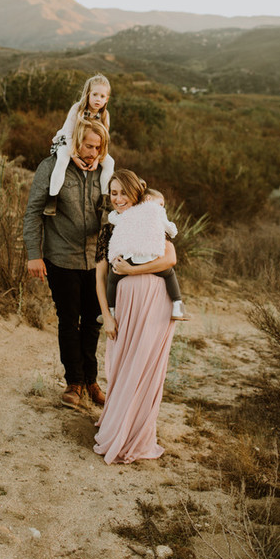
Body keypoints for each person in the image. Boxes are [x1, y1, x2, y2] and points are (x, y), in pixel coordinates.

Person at [24, 118, 109, 409]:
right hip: (61, 257)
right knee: (69, 321)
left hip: (97, 261)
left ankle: (91, 380)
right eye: (88, 146)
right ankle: (74, 382)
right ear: (75, 142)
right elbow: (33, 212)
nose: (93, 153)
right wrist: (33, 254)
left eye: (98, 148)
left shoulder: (105, 173)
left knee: (93, 323)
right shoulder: (51, 167)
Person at [94, 169, 177, 465]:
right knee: (120, 364)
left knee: (144, 365)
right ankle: (117, 423)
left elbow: (169, 258)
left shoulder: (150, 216)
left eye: (123, 193)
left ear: (136, 193)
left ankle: (137, 433)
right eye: (113, 193)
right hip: (124, 306)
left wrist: (132, 271)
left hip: (155, 301)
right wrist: (106, 316)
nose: (117, 199)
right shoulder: (109, 229)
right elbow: (100, 276)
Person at [104, 188, 188, 321]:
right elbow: (171, 230)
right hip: (149, 258)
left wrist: (115, 213)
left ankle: (111, 311)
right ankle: (178, 305)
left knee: (112, 279)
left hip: (129, 259)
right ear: (149, 199)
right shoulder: (157, 211)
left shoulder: (129, 212)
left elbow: (113, 218)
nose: (162, 207)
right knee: (170, 274)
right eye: (161, 204)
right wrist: (170, 228)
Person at [44, 74, 114, 216]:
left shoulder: (105, 115)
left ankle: (105, 199)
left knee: (110, 162)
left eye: (102, 96)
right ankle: (52, 198)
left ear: (106, 99)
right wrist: (74, 156)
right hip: (67, 142)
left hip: (90, 147)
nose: (97, 99)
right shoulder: (78, 109)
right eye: (95, 94)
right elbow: (68, 135)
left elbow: (104, 141)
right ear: (88, 94)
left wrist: (96, 159)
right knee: (63, 159)